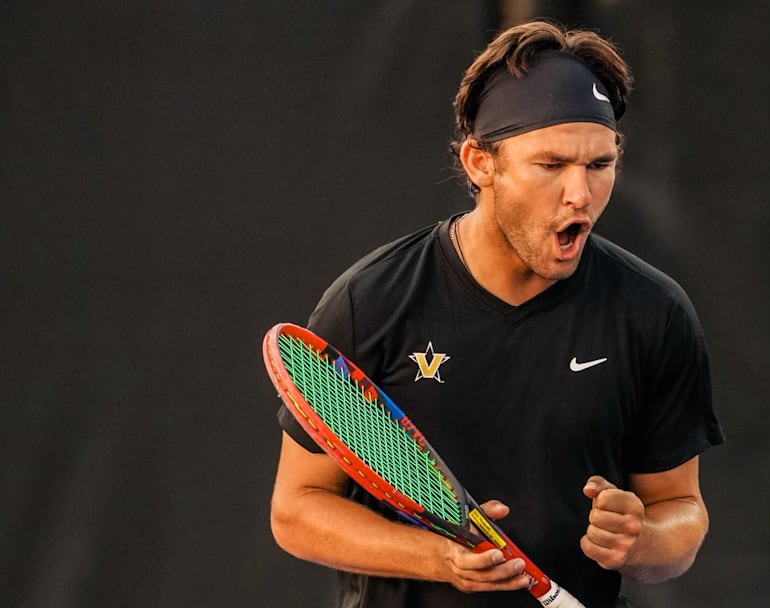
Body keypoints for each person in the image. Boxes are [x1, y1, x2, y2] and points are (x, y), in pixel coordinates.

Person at [269, 20, 723, 608]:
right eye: (551, 164)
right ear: (481, 163)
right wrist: (442, 559)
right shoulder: (372, 301)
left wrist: (641, 539)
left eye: (599, 165)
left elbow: (680, 516)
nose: (580, 194)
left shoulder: (654, 314)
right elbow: (296, 511)